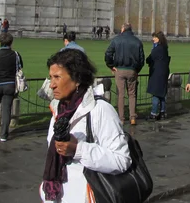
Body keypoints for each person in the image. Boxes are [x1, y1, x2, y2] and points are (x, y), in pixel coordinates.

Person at [40, 49, 131, 203]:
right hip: (57, 196)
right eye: (50, 77)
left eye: (57, 77)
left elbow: (122, 159)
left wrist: (78, 150)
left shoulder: (100, 110)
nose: (51, 85)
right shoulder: (58, 110)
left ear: (77, 79)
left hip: (86, 195)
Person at [105, 22, 144, 125]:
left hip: (120, 70)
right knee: (132, 94)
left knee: (120, 95)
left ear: (123, 29)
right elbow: (141, 59)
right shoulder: (137, 41)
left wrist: (111, 65)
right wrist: (136, 70)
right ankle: (132, 118)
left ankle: (121, 119)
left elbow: (108, 53)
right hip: (132, 70)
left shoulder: (116, 40)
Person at [147, 31, 170, 120]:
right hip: (164, 72)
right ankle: (162, 112)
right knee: (162, 93)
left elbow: (149, 59)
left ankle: (154, 113)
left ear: (158, 38)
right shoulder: (165, 48)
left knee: (156, 93)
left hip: (157, 73)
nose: (153, 39)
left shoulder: (157, 49)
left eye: (154, 37)